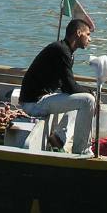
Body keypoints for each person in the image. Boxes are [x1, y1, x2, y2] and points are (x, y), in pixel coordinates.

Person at [20, 19, 95, 155]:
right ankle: (82, 151)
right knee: (88, 100)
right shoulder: (61, 51)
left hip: (42, 98)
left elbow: (67, 87)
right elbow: (70, 87)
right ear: (78, 33)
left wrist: (87, 92)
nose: (90, 39)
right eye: (88, 34)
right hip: (33, 103)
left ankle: (58, 138)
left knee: (81, 99)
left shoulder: (66, 51)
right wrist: (91, 93)